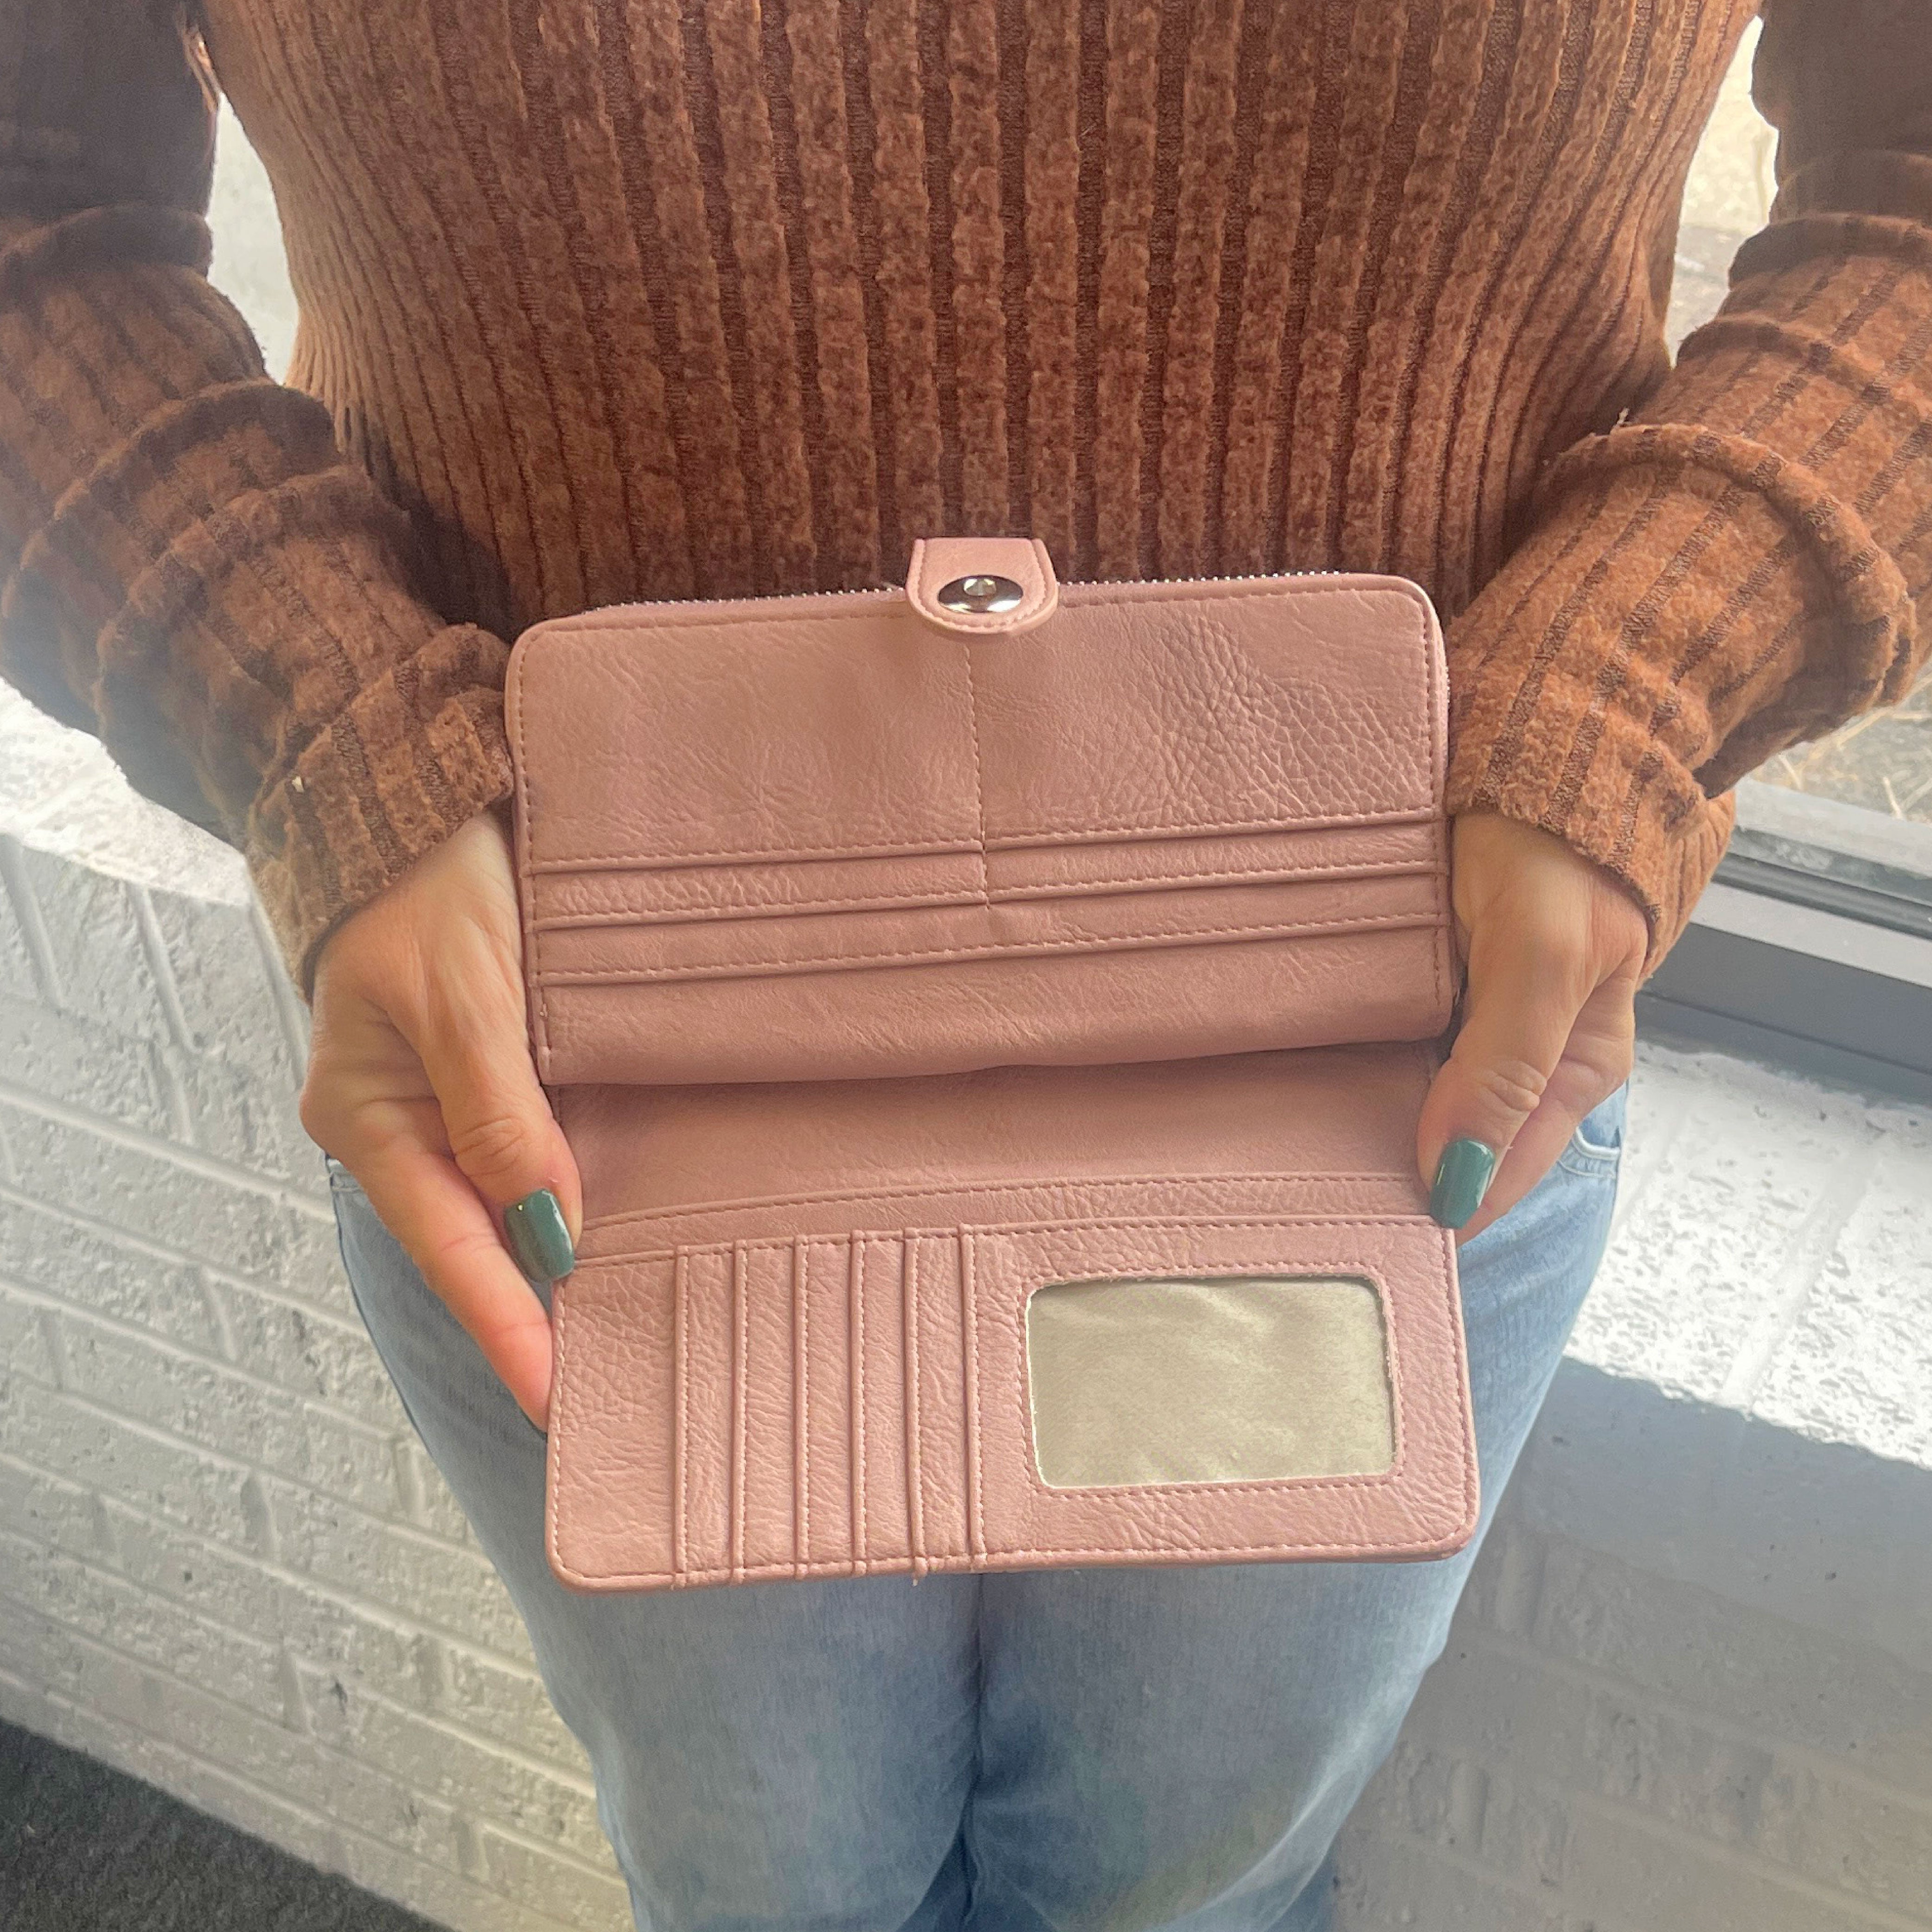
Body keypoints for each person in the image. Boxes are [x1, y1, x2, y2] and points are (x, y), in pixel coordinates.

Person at [3, 2, 1926, 1925]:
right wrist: (323, 714)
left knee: (1183, 1888)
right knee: (771, 1887)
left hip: (1362, 1062)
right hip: (601, 1081)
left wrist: (1625, 679)